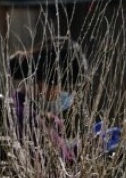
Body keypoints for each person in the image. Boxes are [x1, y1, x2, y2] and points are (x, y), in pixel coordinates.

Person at [8, 36, 93, 164]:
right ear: (45, 82)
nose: (67, 94)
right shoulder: (28, 119)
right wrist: (92, 146)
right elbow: (60, 164)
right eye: (65, 88)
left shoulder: (22, 108)